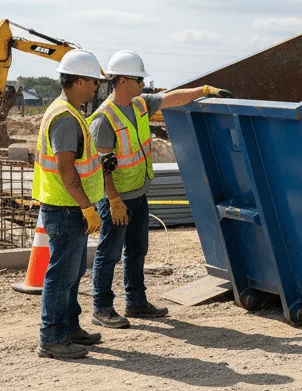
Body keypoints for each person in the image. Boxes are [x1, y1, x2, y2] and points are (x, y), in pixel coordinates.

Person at [88, 50, 231, 329]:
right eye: (139, 79)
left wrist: (203, 90)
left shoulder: (140, 104)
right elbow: (101, 166)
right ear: (124, 80)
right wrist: (114, 200)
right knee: (109, 254)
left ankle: (136, 302)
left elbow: (171, 98)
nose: (143, 84)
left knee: (138, 250)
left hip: (138, 193)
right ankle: (102, 308)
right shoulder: (103, 119)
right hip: (116, 199)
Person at [32, 49, 107, 360]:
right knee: (61, 275)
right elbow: (65, 168)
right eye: (93, 83)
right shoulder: (65, 118)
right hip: (65, 208)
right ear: (79, 82)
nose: (95, 89)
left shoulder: (69, 111)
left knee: (72, 272)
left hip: (68, 206)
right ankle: (51, 337)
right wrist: (87, 207)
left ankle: (69, 327)